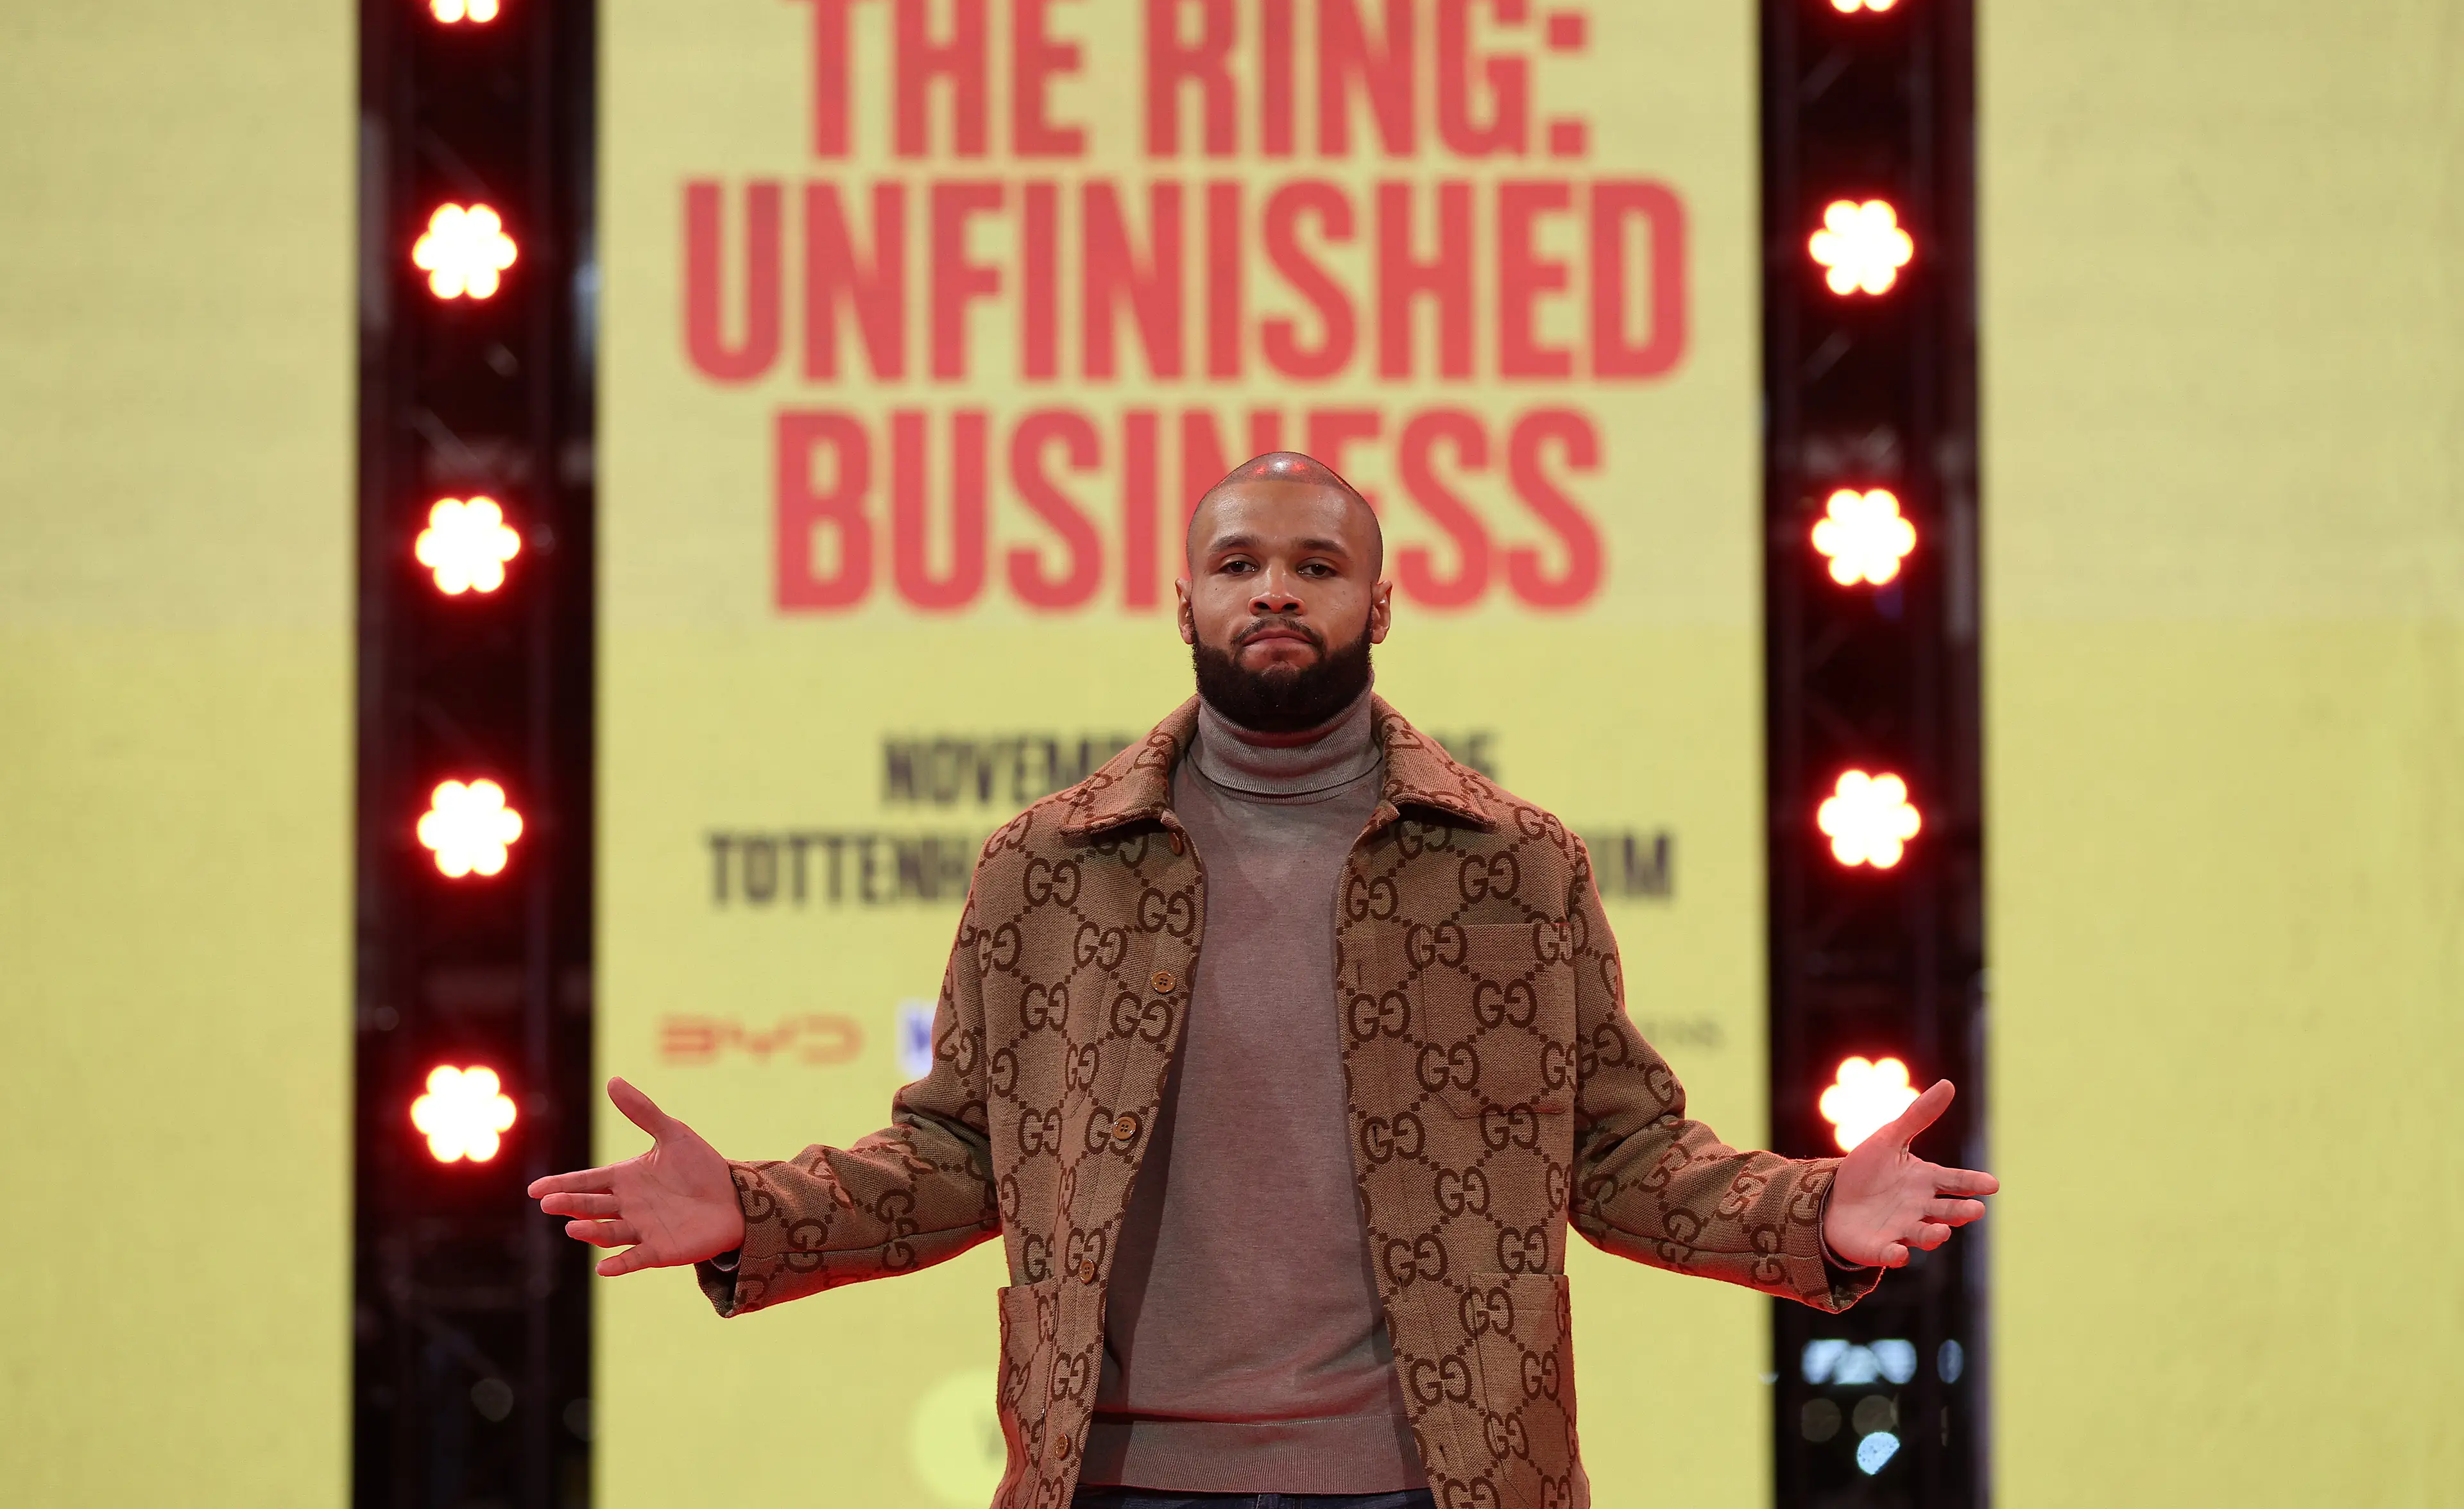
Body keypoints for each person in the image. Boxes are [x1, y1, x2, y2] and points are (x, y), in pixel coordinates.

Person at [531, 453, 1998, 1509]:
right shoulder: (1049, 865)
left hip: (1438, 1477)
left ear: (1380, 599)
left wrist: (1819, 1213)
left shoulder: (1510, 860)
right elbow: (964, 1151)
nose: (1275, 590)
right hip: (1114, 1475)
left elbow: (1613, 1151)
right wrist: (755, 1211)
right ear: (1185, 602)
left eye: (1315, 563)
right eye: (1238, 563)